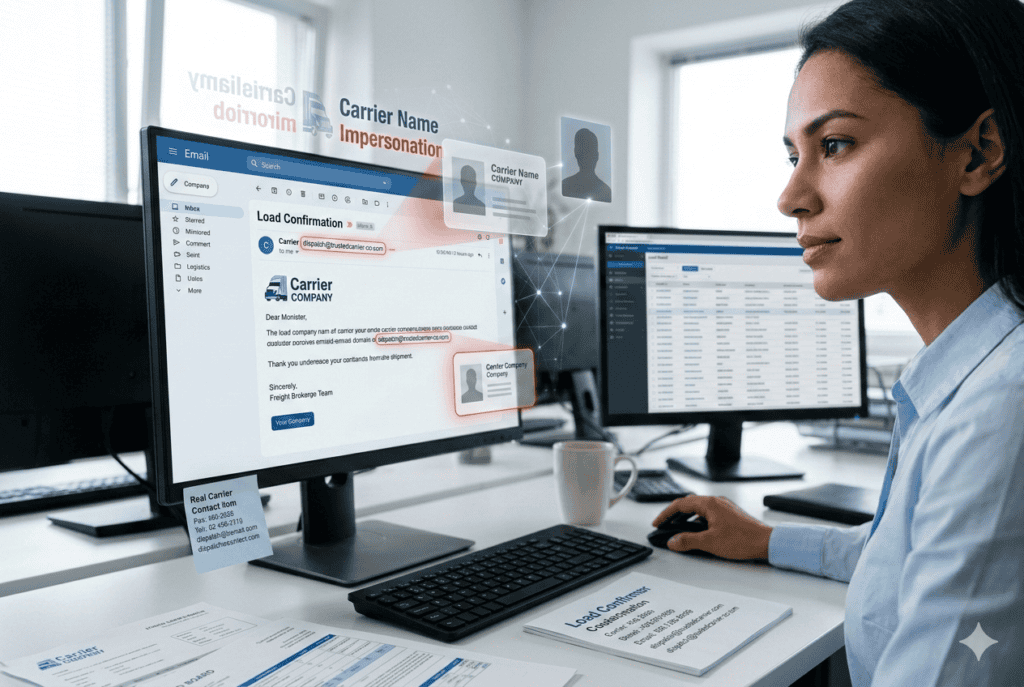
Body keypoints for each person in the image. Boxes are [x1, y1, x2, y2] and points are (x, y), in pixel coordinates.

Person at [653, 0, 1024, 684]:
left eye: (835, 146)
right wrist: (765, 539)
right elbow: (913, 559)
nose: (791, 196)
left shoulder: (998, 412)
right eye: (795, 155)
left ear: (979, 152)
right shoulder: (970, 370)